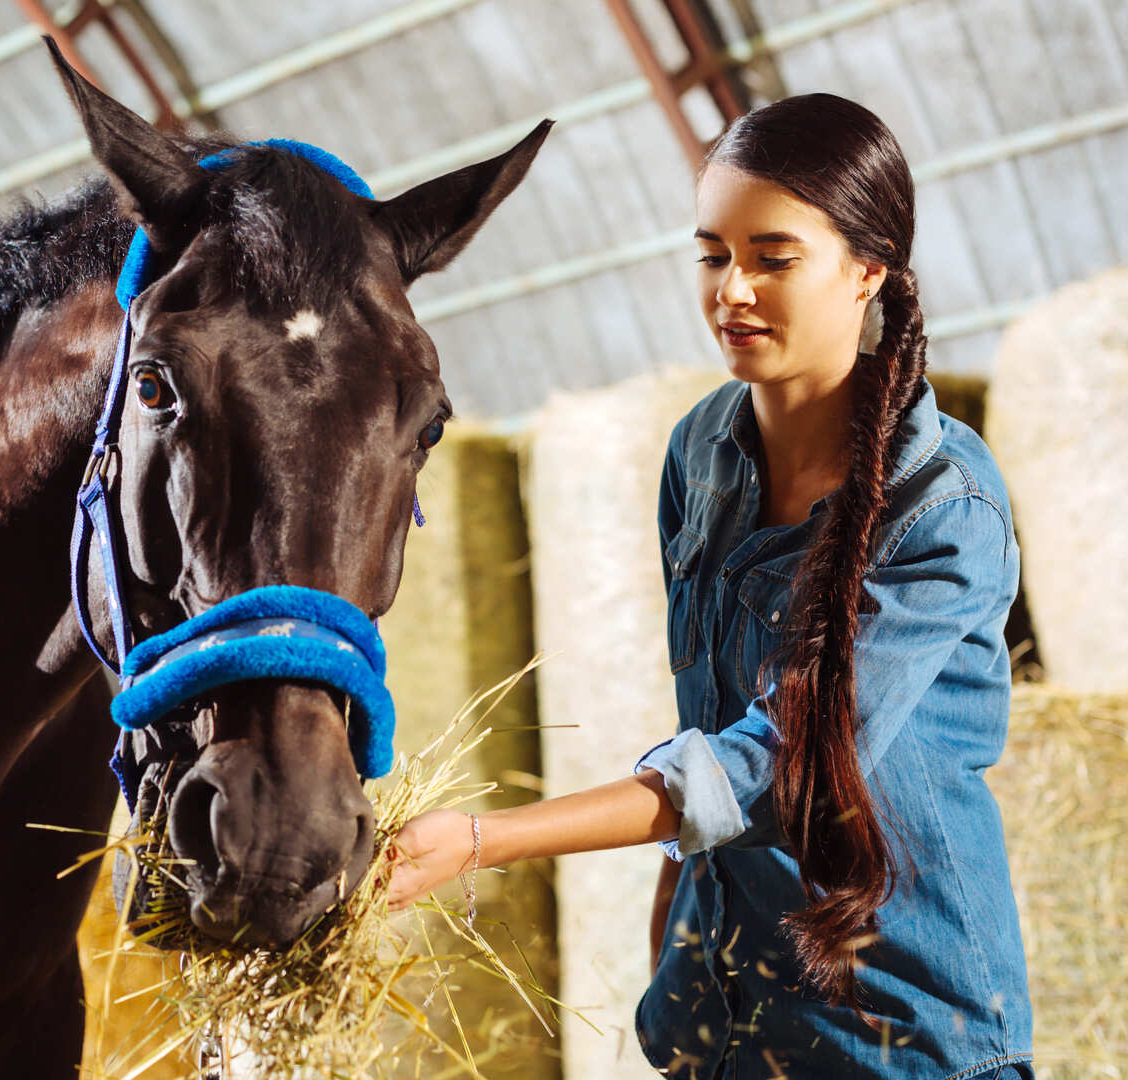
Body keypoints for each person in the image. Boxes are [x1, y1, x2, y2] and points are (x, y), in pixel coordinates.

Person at [385, 92, 1035, 1080]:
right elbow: (707, 725)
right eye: (713, 253)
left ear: (869, 271)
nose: (733, 290)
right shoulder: (701, 453)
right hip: (724, 1013)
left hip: (896, 1026)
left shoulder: (945, 507)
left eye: (774, 258)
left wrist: (482, 839)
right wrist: (677, 933)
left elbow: (774, 764)